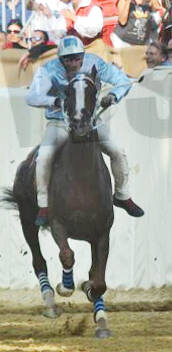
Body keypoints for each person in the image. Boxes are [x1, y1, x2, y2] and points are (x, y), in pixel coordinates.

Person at [25, 35, 144, 226]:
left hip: (91, 122)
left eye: (77, 57)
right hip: (60, 122)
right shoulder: (48, 69)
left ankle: (122, 195)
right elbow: (31, 96)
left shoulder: (94, 63)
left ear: (83, 55)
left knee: (118, 151)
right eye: (68, 59)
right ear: (60, 59)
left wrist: (114, 95)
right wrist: (53, 100)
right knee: (44, 157)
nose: (73, 63)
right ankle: (44, 205)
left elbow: (122, 80)